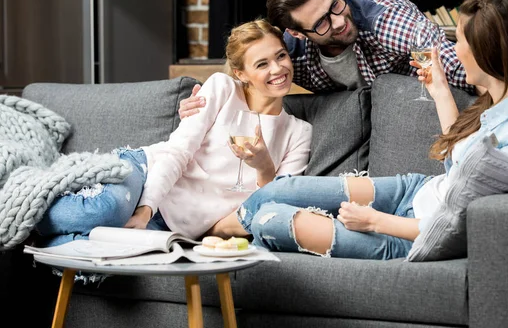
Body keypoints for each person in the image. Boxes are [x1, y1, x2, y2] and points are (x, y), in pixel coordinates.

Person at [205, 0, 508, 260]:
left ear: (486, 52)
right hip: (416, 190)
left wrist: (374, 222)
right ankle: (214, 228)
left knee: (270, 218)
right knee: (280, 191)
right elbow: (460, 167)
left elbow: (463, 226)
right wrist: (440, 90)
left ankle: (207, 231)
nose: (454, 50)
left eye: (461, 41)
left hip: (405, 237)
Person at [35, 19, 312, 247]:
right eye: (262, 64)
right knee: (105, 210)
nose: (278, 69)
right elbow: (177, 152)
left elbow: (271, 206)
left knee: (102, 251)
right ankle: (23, 208)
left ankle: (49, 239)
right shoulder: (222, 89)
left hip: (169, 227)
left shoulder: (298, 133)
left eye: (281, 56)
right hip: (146, 176)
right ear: (241, 74)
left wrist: (264, 168)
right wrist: (145, 210)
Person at [178, 0, 477, 119]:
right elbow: (244, 80)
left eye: (335, 3)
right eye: (321, 22)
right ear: (295, 33)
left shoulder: (387, 21)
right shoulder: (287, 52)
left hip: (406, 108)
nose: (339, 21)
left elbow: (453, 66)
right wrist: (204, 106)